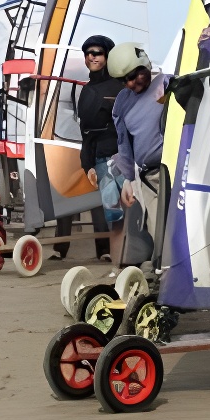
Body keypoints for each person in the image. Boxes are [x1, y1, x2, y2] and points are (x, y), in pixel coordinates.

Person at [108, 43, 170, 264]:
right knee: (158, 230)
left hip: (175, 171)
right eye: (124, 80)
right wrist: (128, 180)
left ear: (145, 64)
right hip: (149, 178)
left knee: (181, 226)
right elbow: (124, 144)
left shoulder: (166, 83)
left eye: (134, 76)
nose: (131, 84)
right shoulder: (122, 103)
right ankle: (164, 272)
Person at [75, 35, 125, 263]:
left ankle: (139, 263)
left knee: (136, 214)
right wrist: (87, 165)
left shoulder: (123, 86)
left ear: (108, 56)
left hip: (125, 160)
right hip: (102, 163)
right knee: (113, 216)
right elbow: (85, 134)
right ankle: (118, 266)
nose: (92, 56)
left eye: (98, 52)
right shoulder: (86, 91)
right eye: (88, 53)